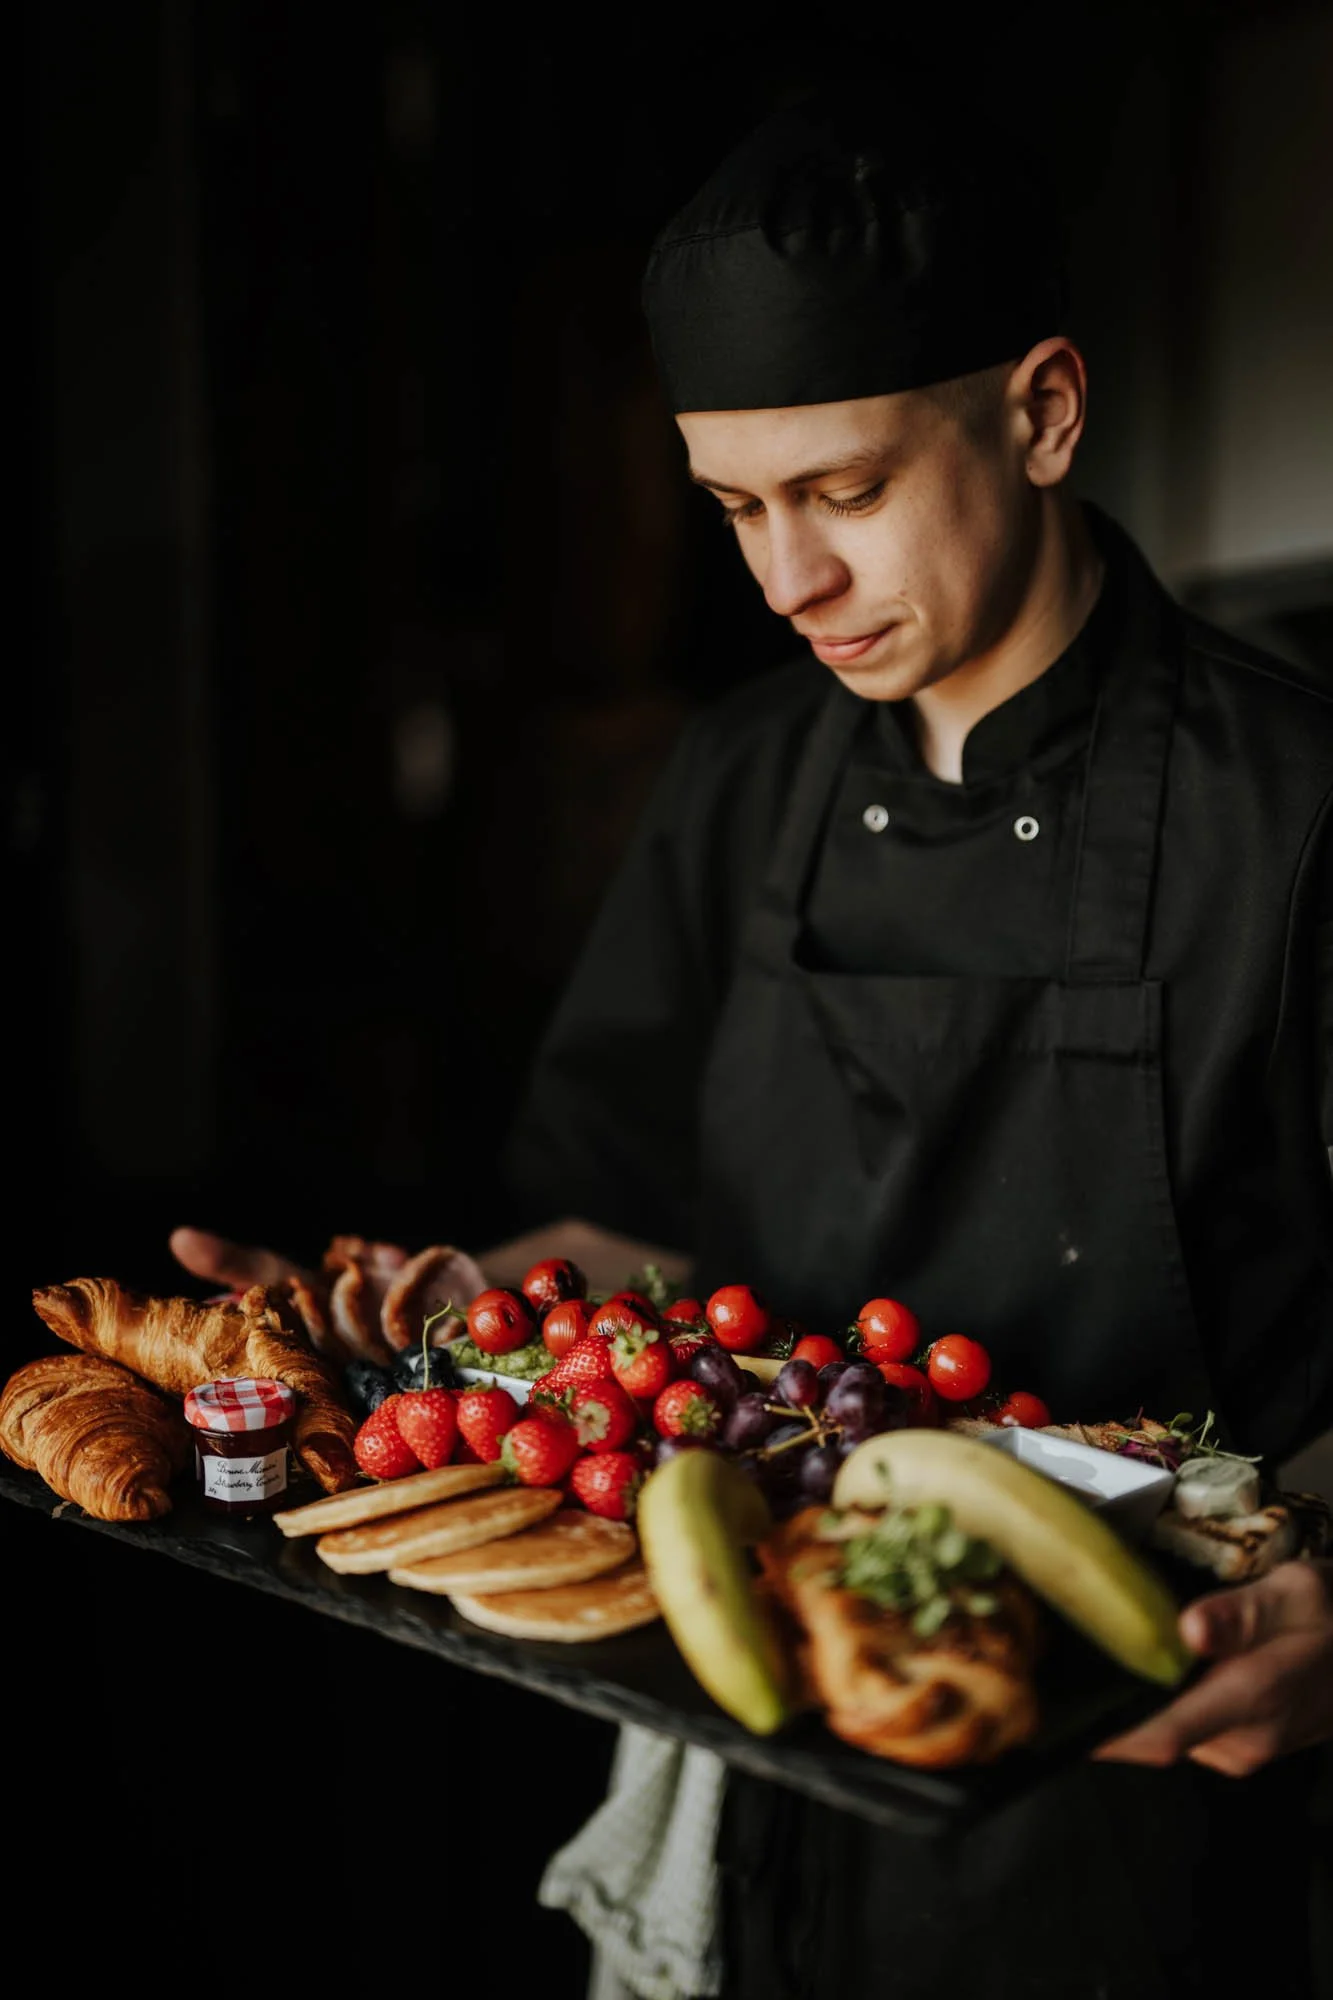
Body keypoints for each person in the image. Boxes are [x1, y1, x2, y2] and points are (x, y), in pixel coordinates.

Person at [172, 83, 1333, 1999]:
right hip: (744, 1709)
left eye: (847, 493)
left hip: (1135, 1792)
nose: (785, 582)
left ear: (1041, 411)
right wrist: (429, 1316)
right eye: (735, 509)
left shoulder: (1293, 813)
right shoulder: (736, 776)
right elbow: (628, 1233)